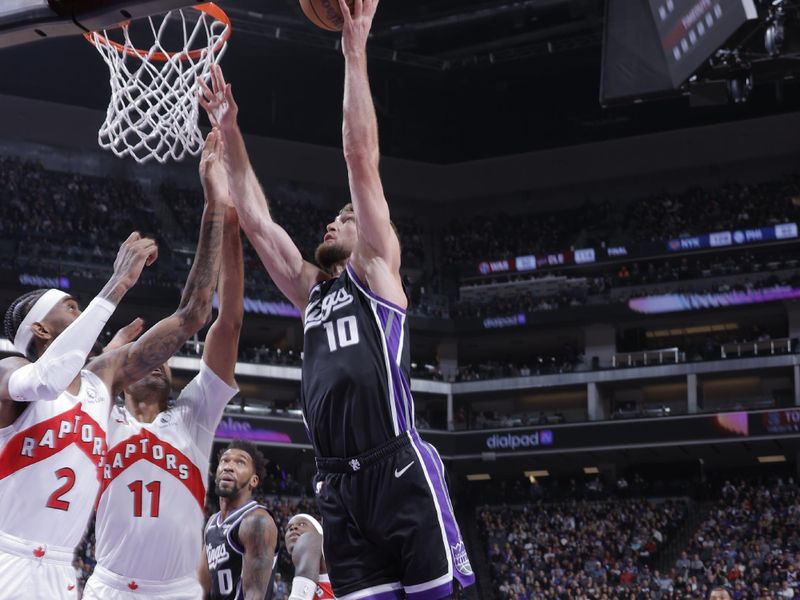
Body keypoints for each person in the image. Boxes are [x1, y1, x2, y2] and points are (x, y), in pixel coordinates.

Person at [199, 1, 475, 597]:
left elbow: (359, 159)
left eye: (345, 218)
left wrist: (354, 51)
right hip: (337, 486)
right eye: (335, 216)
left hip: (395, 466)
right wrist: (230, 130)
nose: (334, 220)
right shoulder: (312, 291)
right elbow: (256, 220)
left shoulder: (376, 270)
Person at [80, 129, 241, 599]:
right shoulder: (101, 414)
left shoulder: (194, 415)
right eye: (146, 362)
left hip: (177, 591)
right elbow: (92, 372)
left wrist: (228, 226)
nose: (159, 365)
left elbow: (226, 323)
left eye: (168, 364)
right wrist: (110, 353)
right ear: (124, 377)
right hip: (108, 586)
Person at [0, 232, 158, 600]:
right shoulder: (10, 369)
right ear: (40, 329)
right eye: (72, 308)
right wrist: (118, 284)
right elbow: (46, 380)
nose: (83, 313)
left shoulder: (89, 390)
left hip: (59, 570)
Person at [200, 440, 279, 600]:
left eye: (240, 462)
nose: (229, 467)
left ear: (253, 481)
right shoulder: (212, 524)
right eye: (225, 460)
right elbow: (201, 588)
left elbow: (255, 595)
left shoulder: (256, 521)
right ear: (215, 475)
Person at [284, 514, 334, 600]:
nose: (293, 528)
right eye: (289, 528)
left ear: (318, 531)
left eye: (302, 524)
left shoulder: (312, 538)